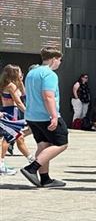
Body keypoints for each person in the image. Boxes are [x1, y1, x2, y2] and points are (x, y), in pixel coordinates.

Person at [19, 47, 69, 189]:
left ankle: (45, 179)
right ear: (54, 59)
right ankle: (32, 168)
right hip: (45, 115)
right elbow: (48, 96)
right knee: (61, 144)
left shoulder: (32, 73)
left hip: (32, 116)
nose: (60, 63)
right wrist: (54, 116)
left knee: (43, 145)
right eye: (59, 60)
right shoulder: (49, 74)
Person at [0, 64, 32, 174]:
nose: (21, 73)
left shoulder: (9, 84)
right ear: (14, 73)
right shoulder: (11, 86)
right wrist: (29, 113)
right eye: (19, 71)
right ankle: (1, 164)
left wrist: (21, 82)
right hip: (11, 113)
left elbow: (24, 94)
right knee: (8, 138)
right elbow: (18, 102)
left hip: (10, 111)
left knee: (18, 137)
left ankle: (31, 159)